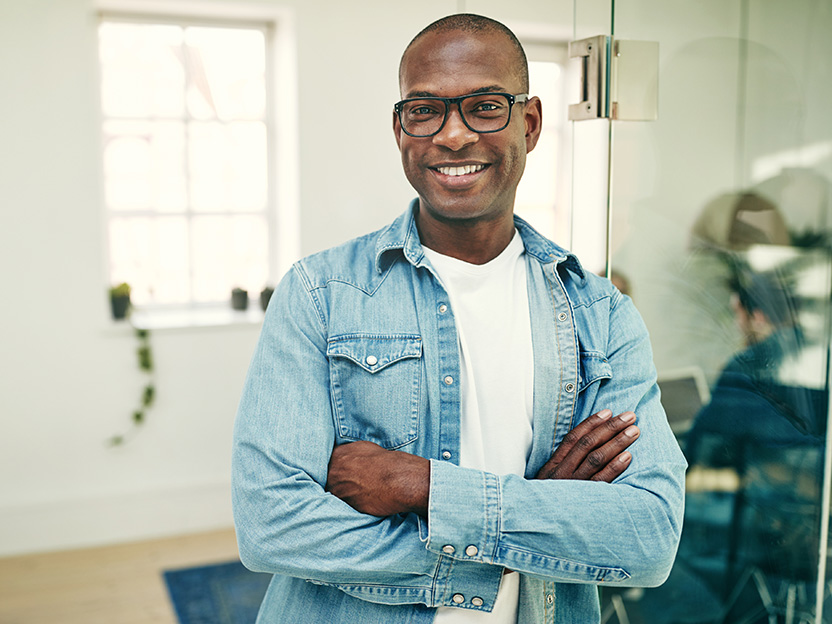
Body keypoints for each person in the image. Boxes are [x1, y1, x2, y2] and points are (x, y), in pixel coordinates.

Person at [232, 13, 686, 624]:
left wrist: (424, 486)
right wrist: (527, 529)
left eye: (484, 107)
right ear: (400, 130)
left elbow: (647, 539)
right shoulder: (321, 293)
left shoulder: (601, 316)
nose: (452, 136)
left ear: (529, 123)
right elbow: (271, 527)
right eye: (425, 111)